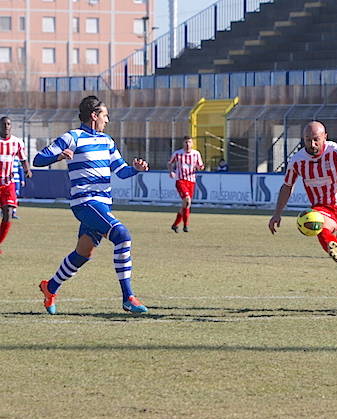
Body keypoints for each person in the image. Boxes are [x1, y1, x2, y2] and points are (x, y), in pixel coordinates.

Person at [33, 95, 149, 315]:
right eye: (105, 115)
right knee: (122, 235)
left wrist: (136, 169)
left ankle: (50, 287)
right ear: (94, 116)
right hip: (85, 202)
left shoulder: (107, 141)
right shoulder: (72, 137)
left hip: (102, 205)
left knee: (83, 254)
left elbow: (121, 172)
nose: (108, 120)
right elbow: (38, 159)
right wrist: (58, 157)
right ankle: (128, 297)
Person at [268, 121, 337, 315]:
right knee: (314, 221)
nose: (312, 144)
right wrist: (277, 213)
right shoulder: (297, 160)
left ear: (325, 136)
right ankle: (332, 246)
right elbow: (287, 186)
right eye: (308, 140)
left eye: (316, 139)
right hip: (323, 209)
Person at [0, 116, 32, 253]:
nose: (6, 126)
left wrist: (27, 170)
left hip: (8, 183)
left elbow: (23, 158)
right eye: (3, 124)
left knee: (9, 212)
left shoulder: (17, 142)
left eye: (8, 124)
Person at [167, 135, 204, 233]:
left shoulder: (196, 154)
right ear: (183, 143)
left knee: (186, 204)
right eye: (186, 142)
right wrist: (171, 172)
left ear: (192, 143)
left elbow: (200, 166)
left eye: (189, 142)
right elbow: (170, 163)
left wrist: (200, 168)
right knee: (187, 200)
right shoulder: (177, 154)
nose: (187, 144)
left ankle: (175, 225)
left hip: (191, 181)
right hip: (180, 180)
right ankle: (185, 226)